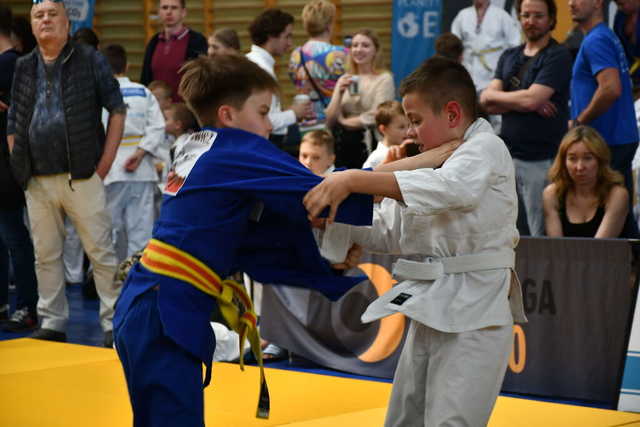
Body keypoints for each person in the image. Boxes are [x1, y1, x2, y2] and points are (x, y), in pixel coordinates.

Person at [112, 54, 373, 426]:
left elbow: (243, 235)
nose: (269, 126)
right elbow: (327, 190)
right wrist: (408, 173)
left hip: (148, 300)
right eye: (263, 112)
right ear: (228, 116)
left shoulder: (195, 144)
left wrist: (325, 264)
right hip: (165, 307)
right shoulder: (235, 147)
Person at [304, 56, 526, 427]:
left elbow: (449, 190)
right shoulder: (431, 162)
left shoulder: (486, 148)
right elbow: (390, 233)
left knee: (451, 422)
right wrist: (330, 219)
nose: (412, 133)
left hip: (476, 313)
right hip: (431, 306)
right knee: (406, 418)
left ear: (453, 114)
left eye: (418, 122)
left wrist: (356, 179)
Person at [7, 0, 126, 346]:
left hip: (83, 175)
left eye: (52, 14)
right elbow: (14, 118)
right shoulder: (25, 65)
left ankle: (114, 322)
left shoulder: (89, 58)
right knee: (45, 254)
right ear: (31, 26)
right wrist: (19, 162)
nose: (45, 20)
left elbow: (116, 110)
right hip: (36, 178)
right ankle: (53, 320)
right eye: (38, 16)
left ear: (67, 22)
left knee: (101, 252)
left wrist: (104, 164)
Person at [480, 0, 572, 236]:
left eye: (538, 16)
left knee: (538, 231)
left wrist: (516, 101)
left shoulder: (558, 55)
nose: (531, 21)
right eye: (526, 15)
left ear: (551, 19)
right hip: (507, 158)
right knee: (506, 229)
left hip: (542, 160)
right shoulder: (509, 55)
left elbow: (528, 99)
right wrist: (526, 102)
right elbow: (486, 100)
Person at [101, 44, 166, 263]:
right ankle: (138, 277)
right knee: (141, 229)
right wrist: (139, 153)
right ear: (127, 66)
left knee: (109, 229)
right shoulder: (144, 92)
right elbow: (158, 126)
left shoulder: (99, 93)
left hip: (109, 168)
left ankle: (111, 278)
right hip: (141, 168)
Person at [570, 0, 639, 202]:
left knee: (611, 216)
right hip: (614, 140)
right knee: (620, 219)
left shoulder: (597, 40)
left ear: (598, 2)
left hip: (607, 143)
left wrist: (580, 121)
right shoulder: (605, 35)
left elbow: (610, 88)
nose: (571, 3)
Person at [0, 5, 38, 332]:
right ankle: (9, 302)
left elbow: (24, 114)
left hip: (10, 163)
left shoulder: (13, 64)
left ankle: (26, 304)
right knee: (6, 235)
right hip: (9, 163)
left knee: (14, 235)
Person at [543, 125, 635, 237]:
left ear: (600, 160)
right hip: (564, 254)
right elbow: (556, 248)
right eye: (572, 158)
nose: (580, 167)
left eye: (587, 158)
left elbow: (599, 248)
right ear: (563, 162)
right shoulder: (552, 194)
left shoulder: (617, 195)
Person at [324, 28, 395, 169]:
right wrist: (338, 90)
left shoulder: (384, 78)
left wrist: (344, 121)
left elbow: (378, 115)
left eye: (365, 45)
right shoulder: (346, 77)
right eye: (355, 45)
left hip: (369, 144)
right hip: (341, 145)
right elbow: (329, 119)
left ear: (375, 50)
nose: (358, 49)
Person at [247, 8, 312, 149]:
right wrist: (294, 113)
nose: (290, 43)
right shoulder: (260, 69)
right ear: (272, 36)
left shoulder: (254, 62)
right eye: (287, 36)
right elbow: (262, 121)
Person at [288, 0, 348, 132]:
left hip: (305, 122)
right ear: (329, 25)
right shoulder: (340, 54)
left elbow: (296, 82)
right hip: (334, 122)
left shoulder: (295, 55)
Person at [140, 0, 207, 101]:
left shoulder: (197, 41)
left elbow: (200, 81)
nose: (169, 12)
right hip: (156, 109)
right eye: (165, 8)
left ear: (183, 12)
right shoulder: (154, 41)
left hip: (184, 109)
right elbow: (145, 79)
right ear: (159, 12)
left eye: (174, 8)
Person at [451, 0, 521, 94]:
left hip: (493, 72)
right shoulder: (463, 15)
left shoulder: (501, 15)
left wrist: (506, 67)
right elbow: (453, 42)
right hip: (468, 69)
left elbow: (515, 43)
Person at [363, 100, 410, 169]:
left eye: (409, 126)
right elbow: (364, 177)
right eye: (401, 127)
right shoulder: (376, 158)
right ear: (383, 129)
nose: (408, 131)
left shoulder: (409, 150)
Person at [613, 0, 640, 86]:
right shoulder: (620, 16)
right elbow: (619, 48)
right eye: (617, 4)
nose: (619, 8)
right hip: (632, 78)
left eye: (621, 4)